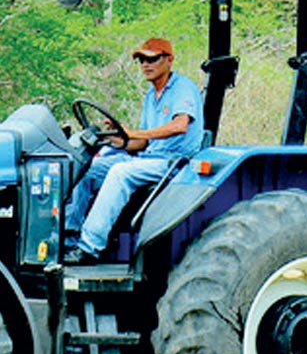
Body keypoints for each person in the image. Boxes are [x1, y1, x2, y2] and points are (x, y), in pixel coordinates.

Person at [64, 38, 204, 264]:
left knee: (120, 172)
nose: (145, 65)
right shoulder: (151, 95)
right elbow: (142, 144)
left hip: (174, 163)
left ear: (169, 60)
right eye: (141, 60)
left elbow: (179, 126)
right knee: (88, 168)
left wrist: (134, 133)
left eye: (152, 59)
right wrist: (117, 139)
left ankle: (89, 247)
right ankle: (69, 238)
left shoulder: (182, 88)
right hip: (149, 158)